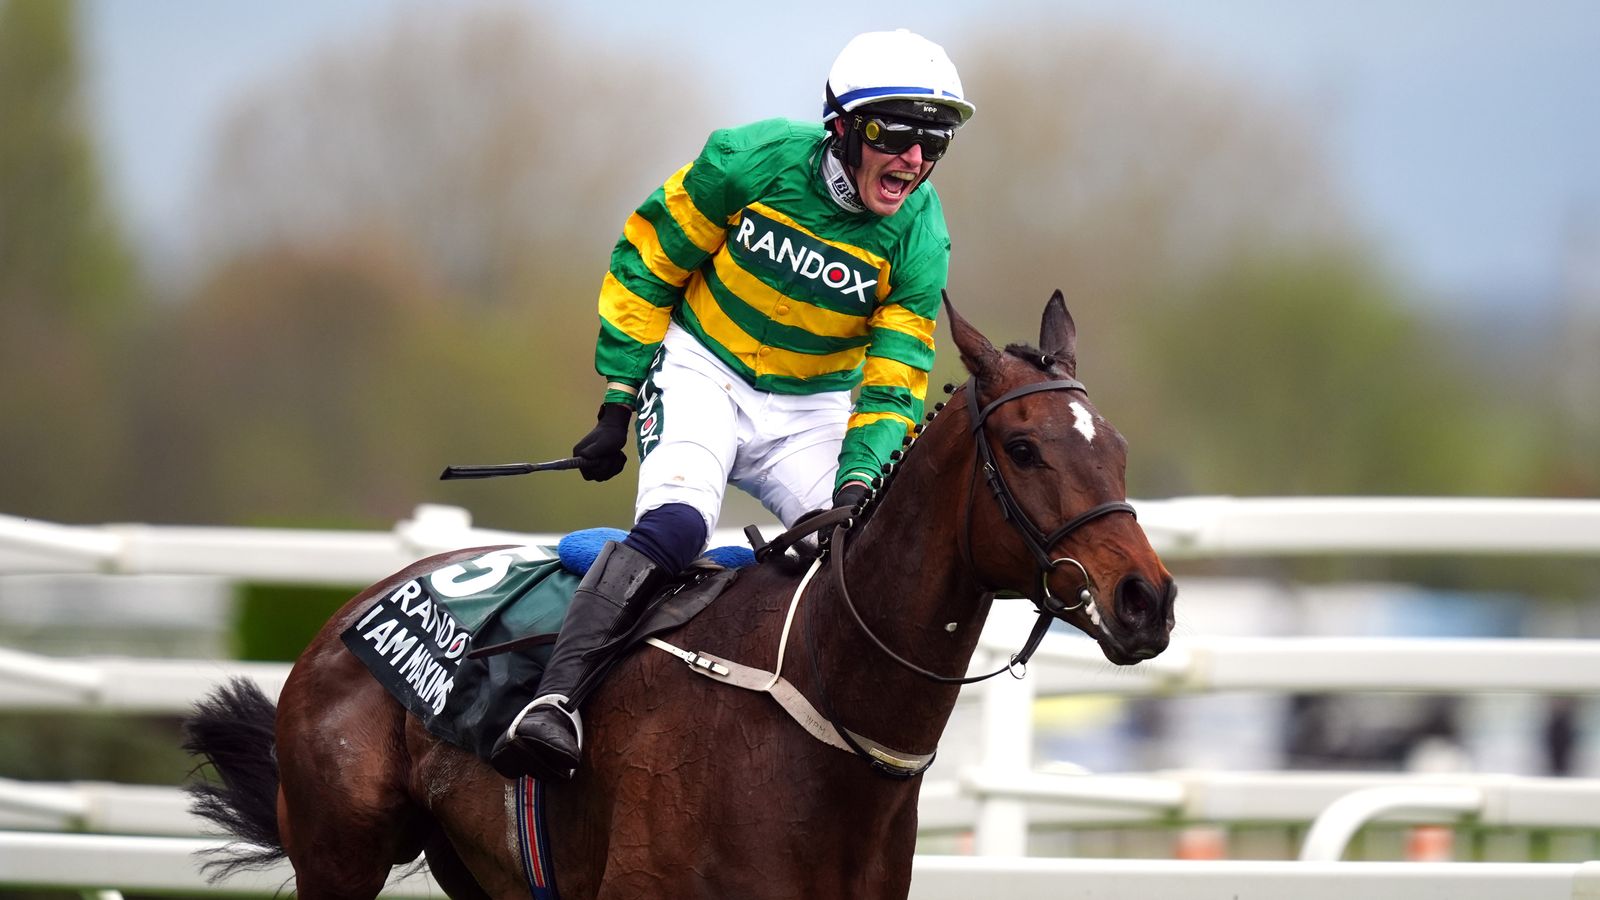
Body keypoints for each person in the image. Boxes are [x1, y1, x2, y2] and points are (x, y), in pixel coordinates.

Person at [489, 28, 976, 782]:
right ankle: (554, 701)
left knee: (861, 553)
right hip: (701, 371)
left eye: (933, 142)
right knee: (678, 526)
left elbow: (895, 379)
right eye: (895, 136)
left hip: (810, 408)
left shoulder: (921, 234)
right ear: (843, 127)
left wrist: (859, 481)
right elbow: (650, 262)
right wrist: (618, 397)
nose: (914, 159)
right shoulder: (747, 161)